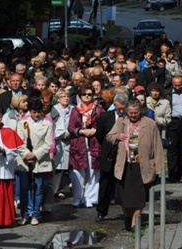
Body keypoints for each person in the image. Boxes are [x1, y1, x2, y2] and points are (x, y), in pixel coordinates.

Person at [107, 100, 164, 231]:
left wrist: (159, 167)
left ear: (141, 111)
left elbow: (157, 146)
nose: (133, 115)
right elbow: (109, 136)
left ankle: (135, 222)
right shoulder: (121, 122)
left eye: (135, 112)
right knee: (125, 198)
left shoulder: (150, 124)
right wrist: (118, 136)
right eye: (130, 113)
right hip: (125, 165)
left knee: (139, 197)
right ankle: (128, 216)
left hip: (142, 165)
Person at [16, 99, 54, 225]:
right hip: (25, 160)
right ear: (29, 111)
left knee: (38, 188)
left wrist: (35, 154)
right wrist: (27, 154)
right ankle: (25, 214)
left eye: (38, 112)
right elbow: (19, 141)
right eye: (34, 112)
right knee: (25, 188)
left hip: (40, 160)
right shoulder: (23, 123)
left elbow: (48, 143)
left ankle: (36, 214)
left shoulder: (47, 124)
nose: (36, 115)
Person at [94, 92, 128, 222]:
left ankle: (127, 212)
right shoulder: (105, 116)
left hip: (124, 155)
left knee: (124, 184)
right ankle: (101, 211)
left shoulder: (129, 117)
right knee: (105, 184)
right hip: (108, 155)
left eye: (123, 108)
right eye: (118, 108)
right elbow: (99, 135)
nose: (121, 111)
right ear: (114, 105)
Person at [68, 86, 103, 208]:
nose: (87, 96)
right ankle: (78, 198)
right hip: (78, 145)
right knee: (77, 172)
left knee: (93, 172)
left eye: (89, 94)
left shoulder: (98, 110)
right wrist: (82, 132)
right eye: (84, 94)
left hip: (94, 144)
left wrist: (95, 130)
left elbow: (103, 125)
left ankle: (91, 198)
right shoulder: (75, 110)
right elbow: (71, 127)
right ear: (80, 96)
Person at [50, 89, 72, 201]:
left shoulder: (72, 109)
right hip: (58, 140)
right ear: (58, 99)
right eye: (63, 96)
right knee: (57, 166)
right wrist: (59, 134)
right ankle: (54, 189)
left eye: (67, 96)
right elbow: (51, 125)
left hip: (69, 140)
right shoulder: (54, 110)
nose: (66, 98)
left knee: (66, 166)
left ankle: (61, 189)